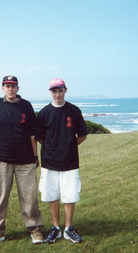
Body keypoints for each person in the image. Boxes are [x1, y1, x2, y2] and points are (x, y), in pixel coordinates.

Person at [0, 75, 44, 245]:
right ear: (2, 88)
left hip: (25, 160)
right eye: (7, 86)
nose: (10, 89)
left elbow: (32, 135)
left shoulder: (26, 106)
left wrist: (35, 157)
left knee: (29, 197)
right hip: (0, 158)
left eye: (13, 86)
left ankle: (35, 229)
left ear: (18, 88)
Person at [36, 78, 87, 244]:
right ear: (50, 92)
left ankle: (68, 229)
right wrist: (53, 148)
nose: (57, 94)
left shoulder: (74, 111)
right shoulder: (44, 113)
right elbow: (39, 137)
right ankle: (56, 228)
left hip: (70, 162)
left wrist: (68, 147)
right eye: (54, 91)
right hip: (49, 162)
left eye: (60, 90)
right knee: (52, 195)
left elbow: (82, 135)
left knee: (70, 195)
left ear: (65, 90)